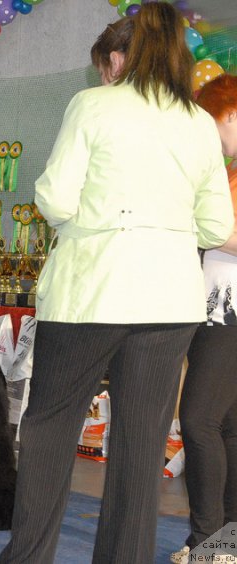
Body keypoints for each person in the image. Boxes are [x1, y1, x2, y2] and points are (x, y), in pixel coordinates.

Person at [0, 4, 234, 563]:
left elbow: (53, 197)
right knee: (141, 443)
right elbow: (218, 226)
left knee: (51, 427)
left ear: (120, 59)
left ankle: (29, 558)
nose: (103, 73)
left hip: (93, 289)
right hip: (171, 300)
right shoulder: (199, 121)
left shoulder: (93, 105)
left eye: (105, 63)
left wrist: (92, 222)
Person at [171, 73, 237, 564]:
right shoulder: (229, 172)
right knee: (226, 426)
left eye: (213, 126)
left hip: (228, 314)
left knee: (197, 420)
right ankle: (225, 543)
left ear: (230, 115)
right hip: (213, 308)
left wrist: (194, 224)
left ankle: (207, 541)